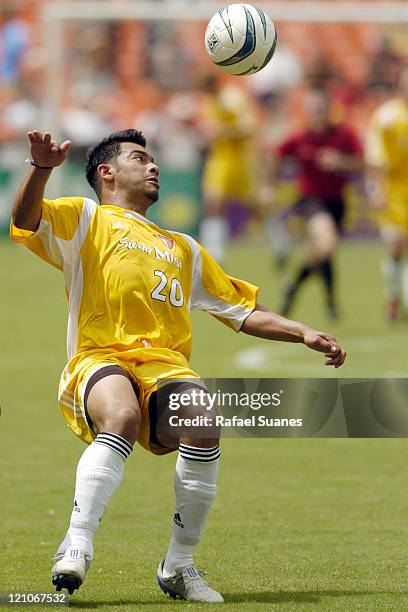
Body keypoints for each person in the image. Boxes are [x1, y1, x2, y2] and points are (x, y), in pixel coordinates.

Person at [10, 129, 346, 603]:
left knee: (204, 422)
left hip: (164, 367)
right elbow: (25, 220)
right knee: (122, 416)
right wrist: (41, 168)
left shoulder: (182, 247)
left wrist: (303, 332)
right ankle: (77, 543)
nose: (154, 166)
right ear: (107, 172)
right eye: (139, 158)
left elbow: (241, 311)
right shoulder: (85, 218)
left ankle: (179, 566)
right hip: (99, 357)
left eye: (154, 160)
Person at [266, 88, 363, 318]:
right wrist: (268, 185)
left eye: (320, 109)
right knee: (326, 243)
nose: (316, 114)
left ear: (329, 110)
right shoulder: (299, 138)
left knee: (321, 252)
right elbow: (276, 157)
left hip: (337, 202)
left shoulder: (344, 135)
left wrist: (340, 162)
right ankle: (330, 302)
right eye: (312, 110)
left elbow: (361, 163)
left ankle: (294, 287)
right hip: (310, 202)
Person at [365, 64, 408, 320]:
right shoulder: (386, 117)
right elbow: (374, 158)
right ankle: (393, 297)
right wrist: (375, 189)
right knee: (396, 245)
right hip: (393, 192)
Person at [199, 75, 257, 263]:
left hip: (240, 159)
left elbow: (249, 127)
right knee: (212, 201)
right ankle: (214, 252)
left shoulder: (233, 98)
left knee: (255, 205)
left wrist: (223, 131)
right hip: (220, 158)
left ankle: (280, 240)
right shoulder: (210, 102)